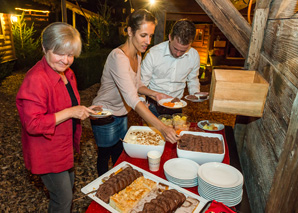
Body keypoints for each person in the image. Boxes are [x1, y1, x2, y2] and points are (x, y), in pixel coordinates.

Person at [16, 22, 97, 213]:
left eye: (70, 55)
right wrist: (70, 112)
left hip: (63, 147)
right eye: (60, 53)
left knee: (66, 193)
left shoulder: (67, 73)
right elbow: (33, 123)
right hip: (48, 152)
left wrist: (82, 109)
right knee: (62, 200)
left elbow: (67, 104)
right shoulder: (36, 79)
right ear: (44, 48)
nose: (66, 60)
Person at [91, 9, 178, 176]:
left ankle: (119, 186)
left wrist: (155, 94)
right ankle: (103, 191)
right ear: (130, 31)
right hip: (104, 114)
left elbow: (136, 84)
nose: (148, 41)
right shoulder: (118, 57)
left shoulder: (138, 55)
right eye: (143, 35)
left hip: (122, 112)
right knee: (104, 156)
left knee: (119, 154)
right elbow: (131, 97)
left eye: (150, 36)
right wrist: (162, 128)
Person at [141, 19, 201, 117]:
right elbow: (142, 83)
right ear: (170, 37)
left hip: (177, 105)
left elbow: (193, 79)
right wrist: (142, 102)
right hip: (152, 105)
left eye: (183, 51)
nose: (178, 54)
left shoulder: (194, 56)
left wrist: (196, 94)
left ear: (191, 44)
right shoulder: (153, 54)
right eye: (175, 48)